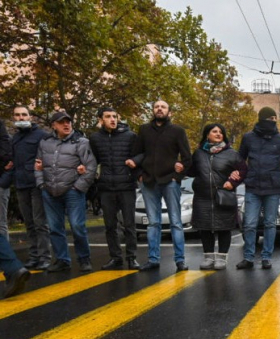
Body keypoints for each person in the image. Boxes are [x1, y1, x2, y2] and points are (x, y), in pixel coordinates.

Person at [128, 100, 192, 272]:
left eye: (163, 107)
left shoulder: (178, 131)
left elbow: (187, 158)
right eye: (156, 107)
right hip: (148, 182)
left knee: (176, 222)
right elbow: (136, 154)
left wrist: (177, 177)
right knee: (153, 223)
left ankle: (180, 261)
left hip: (169, 182)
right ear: (153, 111)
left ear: (169, 112)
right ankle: (153, 259)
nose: (159, 109)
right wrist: (139, 176)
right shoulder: (144, 130)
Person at [35, 112, 97, 272]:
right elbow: (38, 165)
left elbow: (90, 167)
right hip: (49, 191)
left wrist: (78, 187)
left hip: (73, 191)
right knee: (55, 228)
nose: (66, 125)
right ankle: (62, 260)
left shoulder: (81, 142)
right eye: (61, 122)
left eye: (68, 122)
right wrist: (41, 184)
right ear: (53, 125)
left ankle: (84, 259)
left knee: (77, 226)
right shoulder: (45, 142)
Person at [236, 107, 280, 270]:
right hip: (253, 186)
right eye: (271, 118)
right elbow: (240, 159)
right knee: (250, 223)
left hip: (273, 187)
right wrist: (239, 173)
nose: (273, 121)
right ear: (262, 119)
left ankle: (266, 257)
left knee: (270, 223)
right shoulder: (248, 138)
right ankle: (248, 258)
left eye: (275, 119)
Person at [188, 124, 246, 270]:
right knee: (205, 228)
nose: (218, 134)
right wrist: (181, 166)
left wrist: (233, 181)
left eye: (221, 132)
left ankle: (221, 258)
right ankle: (208, 258)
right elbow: (191, 172)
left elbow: (244, 170)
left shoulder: (232, 153)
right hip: (203, 197)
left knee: (224, 228)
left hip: (223, 196)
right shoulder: (199, 153)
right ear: (207, 135)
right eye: (214, 131)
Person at [89, 107, 140, 270]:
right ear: (100, 119)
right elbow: (94, 159)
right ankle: (115, 258)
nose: (112, 119)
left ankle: (132, 258)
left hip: (126, 186)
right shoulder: (95, 138)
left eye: (114, 116)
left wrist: (135, 161)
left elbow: (141, 154)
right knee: (109, 225)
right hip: (106, 188)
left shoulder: (130, 136)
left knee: (129, 224)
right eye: (108, 117)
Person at [0, 106, 51, 270]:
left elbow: (48, 158)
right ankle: (34, 256)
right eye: (17, 115)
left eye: (24, 114)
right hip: (21, 184)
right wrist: (4, 182)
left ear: (30, 117)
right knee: (29, 222)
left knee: (40, 222)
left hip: (37, 184)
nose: (20, 117)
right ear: (14, 118)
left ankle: (45, 257)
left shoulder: (42, 135)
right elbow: (13, 163)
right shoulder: (15, 138)